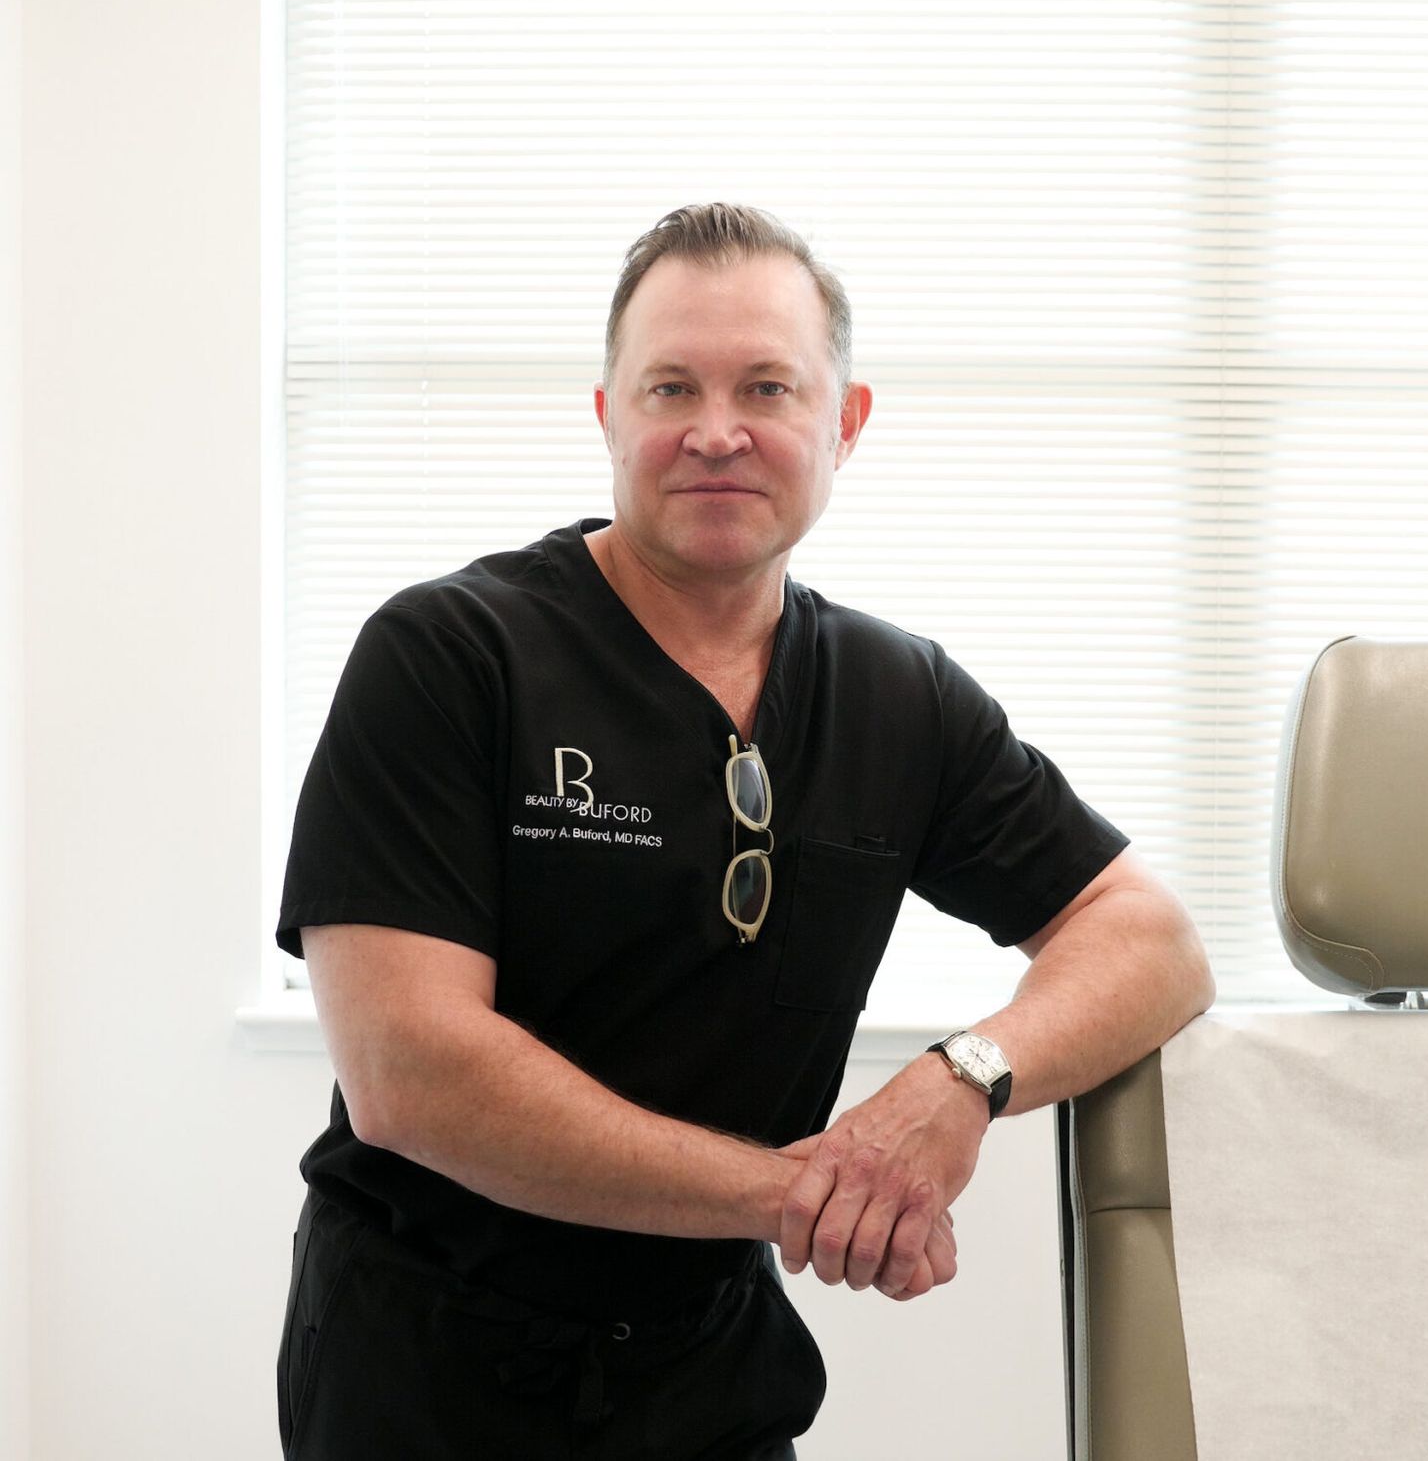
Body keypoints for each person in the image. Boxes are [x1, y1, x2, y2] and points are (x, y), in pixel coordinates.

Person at [273, 202, 1215, 1461]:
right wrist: (801, 1194)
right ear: (609, 417)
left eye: (767, 386)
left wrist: (962, 1082)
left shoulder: (901, 700)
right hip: (429, 1375)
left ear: (846, 422)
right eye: (672, 386)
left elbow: (1149, 940)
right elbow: (409, 1073)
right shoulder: (449, 657)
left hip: (710, 1379)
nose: (717, 431)